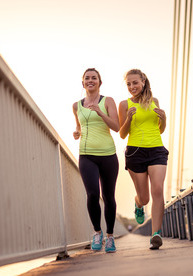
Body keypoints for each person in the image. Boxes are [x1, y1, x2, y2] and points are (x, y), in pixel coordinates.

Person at [118, 68, 168, 250]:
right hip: (135, 153)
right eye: (129, 84)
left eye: (135, 83)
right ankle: (138, 204)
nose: (132, 86)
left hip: (156, 149)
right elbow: (122, 134)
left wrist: (164, 120)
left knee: (157, 189)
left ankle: (156, 234)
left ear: (143, 82)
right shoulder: (124, 104)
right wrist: (128, 119)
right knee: (145, 198)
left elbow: (160, 129)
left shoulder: (154, 101)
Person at [72, 68, 120, 253]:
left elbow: (116, 127)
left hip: (108, 154)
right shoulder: (76, 106)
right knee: (92, 194)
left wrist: (100, 112)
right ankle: (97, 233)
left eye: (94, 78)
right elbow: (79, 126)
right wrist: (77, 132)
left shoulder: (108, 101)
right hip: (86, 155)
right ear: (82, 83)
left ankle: (109, 237)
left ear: (100, 82)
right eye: (87, 78)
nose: (90, 80)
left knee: (108, 197)